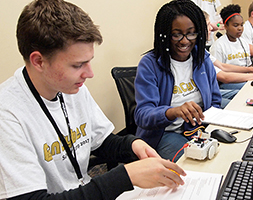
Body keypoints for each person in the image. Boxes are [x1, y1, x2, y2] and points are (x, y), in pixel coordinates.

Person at [0, 0, 187, 199]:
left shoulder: (71, 87)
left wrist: (132, 145)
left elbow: (102, 141)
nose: (89, 74)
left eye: (89, 61)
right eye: (78, 65)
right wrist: (126, 177)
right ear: (39, 61)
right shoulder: (8, 113)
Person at [134, 0, 221, 162]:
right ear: (164, 34)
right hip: (165, 133)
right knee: (193, 165)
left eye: (191, 33)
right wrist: (173, 111)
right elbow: (142, 115)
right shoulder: (150, 64)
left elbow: (215, 101)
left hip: (199, 130)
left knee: (222, 158)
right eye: (176, 34)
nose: (185, 41)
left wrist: (208, 129)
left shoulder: (202, 59)